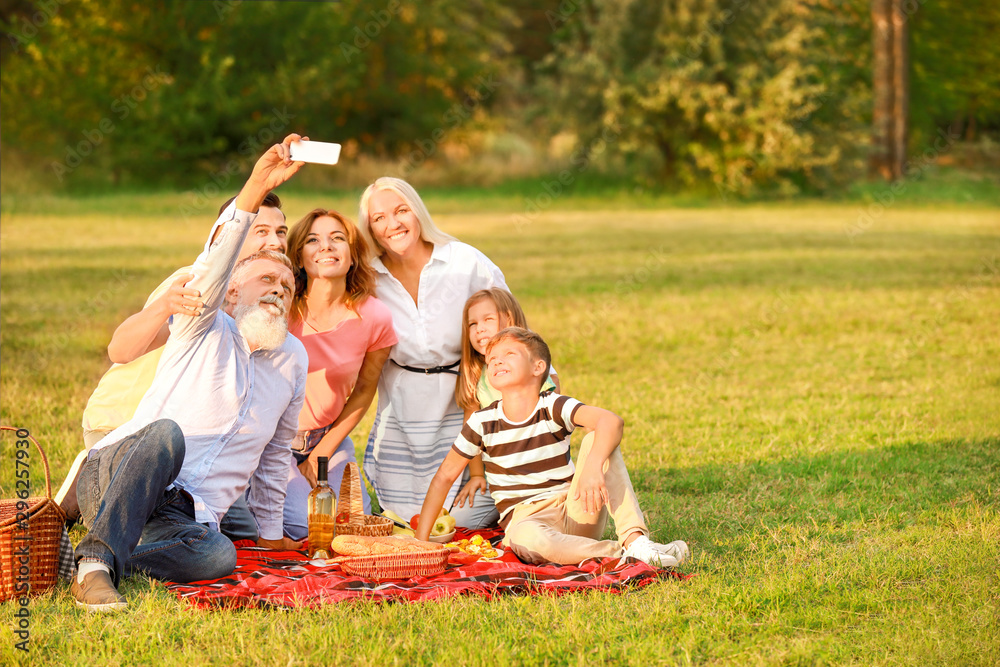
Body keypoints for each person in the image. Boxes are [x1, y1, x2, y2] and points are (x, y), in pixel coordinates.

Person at [71, 136, 308, 612]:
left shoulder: (293, 358)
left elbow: (276, 454)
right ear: (232, 291)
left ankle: (101, 549)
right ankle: (94, 565)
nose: (278, 289)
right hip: (125, 471)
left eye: (286, 284)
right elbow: (215, 263)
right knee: (166, 436)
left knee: (219, 554)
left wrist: (270, 536)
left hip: (184, 518)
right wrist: (258, 183)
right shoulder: (202, 318)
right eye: (265, 279)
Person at [56, 191, 289, 539]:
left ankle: (136, 534)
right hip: (133, 426)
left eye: (282, 232)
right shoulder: (197, 283)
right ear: (230, 235)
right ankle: (92, 481)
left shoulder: (263, 295)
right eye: (261, 231)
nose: (275, 241)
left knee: (240, 530)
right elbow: (119, 349)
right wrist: (164, 305)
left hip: (190, 447)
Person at [414, 327, 689, 568]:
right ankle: (621, 555)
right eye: (492, 359)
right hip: (526, 521)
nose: (497, 361)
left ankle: (636, 540)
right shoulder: (481, 422)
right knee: (527, 539)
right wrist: (420, 542)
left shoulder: (553, 405)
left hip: (575, 506)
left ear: (538, 367)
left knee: (598, 437)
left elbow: (612, 421)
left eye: (509, 354)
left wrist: (592, 468)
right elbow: (445, 477)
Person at [357, 177, 506, 528]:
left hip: (465, 398)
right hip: (404, 409)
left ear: (418, 212)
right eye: (379, 219)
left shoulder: (464, 261)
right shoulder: (367, 278)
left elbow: (509, 327)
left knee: (461, 520)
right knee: (404, 520)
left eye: (401, 211)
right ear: (371, 230)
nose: (392, 224)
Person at [281, 208, 397, 540]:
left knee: (348, 523)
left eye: (337, 239)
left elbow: (364, 391)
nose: (326, 247)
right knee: (304, 527)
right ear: (300, 258)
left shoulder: (375, 317)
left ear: (351, 257)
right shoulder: (280, 307)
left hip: (327, 436)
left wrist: (322, 451)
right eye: (313, 240)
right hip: (272, 441)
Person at [452, 288, 560, 511]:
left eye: (488, 319)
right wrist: (475, 475)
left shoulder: (534, 368)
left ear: (509, 319)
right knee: (464, 517)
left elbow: (554, 419)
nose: (479, 328)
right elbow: (470, 430)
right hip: (499, 479)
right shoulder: (476, 377)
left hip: (541, 475)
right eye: (472, 324)